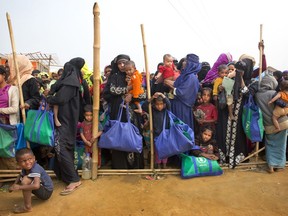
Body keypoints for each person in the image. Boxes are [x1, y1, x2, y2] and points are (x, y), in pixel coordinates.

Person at [46, 57, 84, 195]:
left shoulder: (71, 81)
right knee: (62, 147)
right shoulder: (72, 81)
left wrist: (48, 98)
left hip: (65, 120)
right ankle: (66, 175)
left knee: (61, 146)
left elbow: (60, 99)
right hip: (65, 119)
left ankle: (74, 179)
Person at [103, 54, 144, 169]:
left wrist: (133, 95)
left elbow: (143, 92)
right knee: (119, 134)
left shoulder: (135, 75)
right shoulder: (114, 76)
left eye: (124, 63)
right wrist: (127, 89)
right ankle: (120, 165)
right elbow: (111, 90)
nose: (122, 65)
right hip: (118, 109)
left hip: (132, 111)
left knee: (133, 133)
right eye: (119, 63)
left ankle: (135, 165)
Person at [217, 58, 254, 168]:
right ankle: (225, 157)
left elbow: (246, 93)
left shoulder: (251, 82)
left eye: (241, 70)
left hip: (239, 113)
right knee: (225, 133)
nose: (238, 72)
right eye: (237, 70)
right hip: (226, 113)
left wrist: (240, 78)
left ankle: (235, 157)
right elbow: (223, 89)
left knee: (238, 135)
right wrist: (229, 77)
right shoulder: (229, 78)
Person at [255, 73, 288, 173]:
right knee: (281, 146)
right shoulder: (274, 93)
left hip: (268, 125)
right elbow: (283, 105)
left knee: (270, 145)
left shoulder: (257, 95)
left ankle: (271, 166)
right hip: (282, 122)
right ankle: (279, 165)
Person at [9, 148, 53, 213]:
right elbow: (20, 175)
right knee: (24, 178)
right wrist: (14, 184)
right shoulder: (25, 168)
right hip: (42, 189)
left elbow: (36, 186)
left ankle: (27, 207)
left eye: (30, 159)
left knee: (25, 181)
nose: (27, 162)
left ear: (34, 158)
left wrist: (19, 187)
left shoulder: (35, 168)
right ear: (18, 163)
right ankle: (28, 204)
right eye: (23, 161)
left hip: (46, 192)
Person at [164, 53, 201, 130]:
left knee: (181, 130)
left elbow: (181, 92)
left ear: (190, 64)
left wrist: (169, 84)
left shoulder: (191, 77)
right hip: (177, 106)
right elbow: (178, 84)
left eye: (186, 61)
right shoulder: (185, 75)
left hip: (182, 108)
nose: (183, 62)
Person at [145, 92, 171, 169]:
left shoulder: (166, 110)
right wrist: (152, 97)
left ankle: (164, 166)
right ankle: (158, 165)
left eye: (161, 104)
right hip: (156, 134)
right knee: (157, 151)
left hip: (165, 134)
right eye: (157, 104)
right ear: (154, 104)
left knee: (165, 151)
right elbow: (144, 106)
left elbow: (169, 103)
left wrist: (163, 96)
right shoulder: (153, 110)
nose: (159, 106)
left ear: (164, 104)